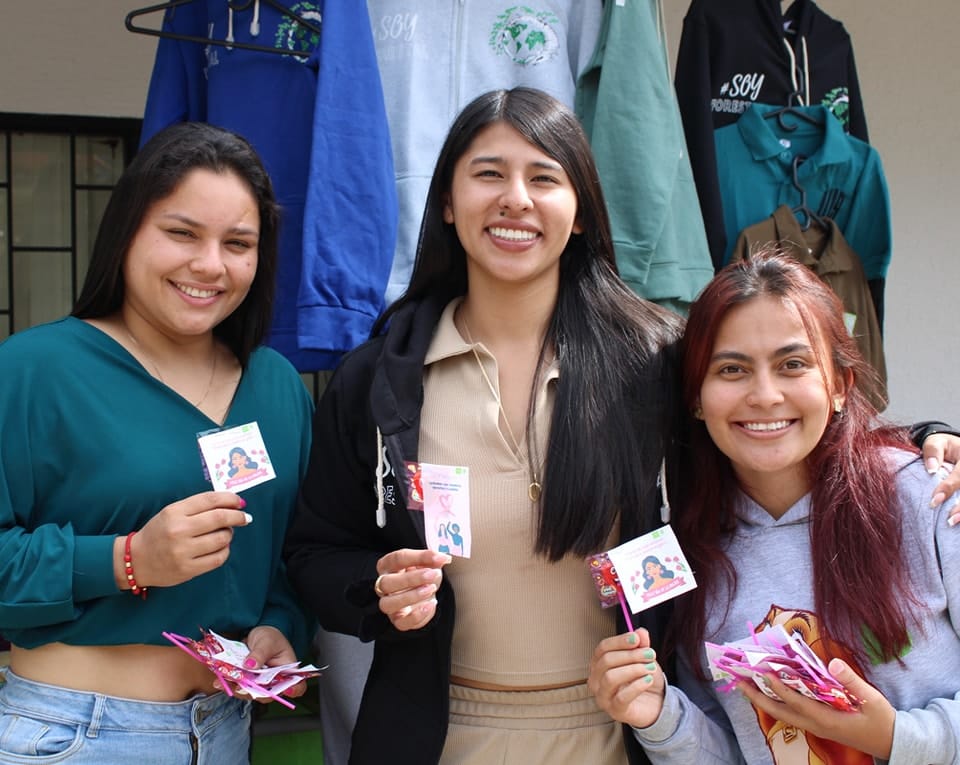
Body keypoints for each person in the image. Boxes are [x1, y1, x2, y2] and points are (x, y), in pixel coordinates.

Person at [284, 89, 960, 765]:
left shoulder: (654, 362)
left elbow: (769, 432)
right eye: (488, 173)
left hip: (621, 732)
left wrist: (923, 440)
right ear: (446, 203)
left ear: (580, 212)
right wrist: (375, 582)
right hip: (434, 735)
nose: (516, 198)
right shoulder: (380, 377)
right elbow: (314, 549)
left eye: (545, 177)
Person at [0, 122, 313, 764]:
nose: (210, 265)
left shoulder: (275, 384)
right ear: (128, 232)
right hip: (74, 735)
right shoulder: (35, 371)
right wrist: (128, 559)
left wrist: (278, 625)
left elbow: (293, 550)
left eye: (238, 243)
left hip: (224, 733)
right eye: (182, 233)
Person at [588, 251, 960, 764]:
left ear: (838, 386)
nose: (764, 395)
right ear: (696, 398)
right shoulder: (689, 563)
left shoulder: (932, 496)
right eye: (732, 369)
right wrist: (660, 716)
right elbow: (736, 751)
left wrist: (893, 737)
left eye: (792, 365)